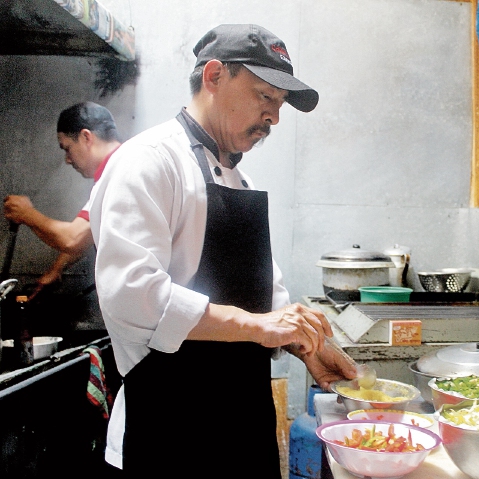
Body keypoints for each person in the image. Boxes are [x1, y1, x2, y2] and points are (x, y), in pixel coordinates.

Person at [89, 24, 357, 477]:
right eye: (265, 97)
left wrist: (304, 345)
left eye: (280, 105)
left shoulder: (239, 180)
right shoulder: (149, 161)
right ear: (214, 76)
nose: (274, 117)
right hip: (169, 435)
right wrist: (257, 324)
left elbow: (264, 295)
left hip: (241, 427)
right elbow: (132, 294)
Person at [3, 102, 121, 296]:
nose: (67, 159)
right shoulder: (115, 169)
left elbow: (72, 238)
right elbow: (86, 234)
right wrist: (57, 267)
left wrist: (26, 213)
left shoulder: (120, 172)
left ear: (86, 137)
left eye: (67, 149)